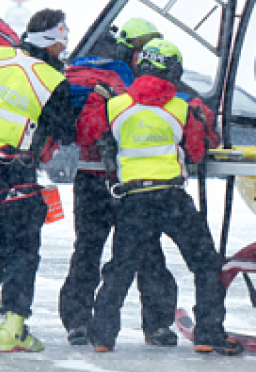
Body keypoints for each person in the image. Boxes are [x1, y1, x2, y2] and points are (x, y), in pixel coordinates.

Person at [87, 38, 239, 355]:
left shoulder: (114, 106)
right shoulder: (182, 108)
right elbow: (197, 154)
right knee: (206, 264)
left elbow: (88, 134)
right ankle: (209, 333)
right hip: (171, 198)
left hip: (132, 200)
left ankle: (102, 336)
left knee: (120, 268)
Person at [0, 8, 76, 352]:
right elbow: (66, 130)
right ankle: (14, 325)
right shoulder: (52, 80)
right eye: (63, 39)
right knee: (23, 248)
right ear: (51, 41)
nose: (65, 46)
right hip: (17, 173)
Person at [59, 17, 179, 347]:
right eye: (143, 50)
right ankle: (87, 322)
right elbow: (86, 131)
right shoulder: (112, 88)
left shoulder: (140, 90)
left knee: (136, 253)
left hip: (121, 184)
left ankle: (146, 324)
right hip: (112, 182)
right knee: (106, 252)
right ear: (131, 50)